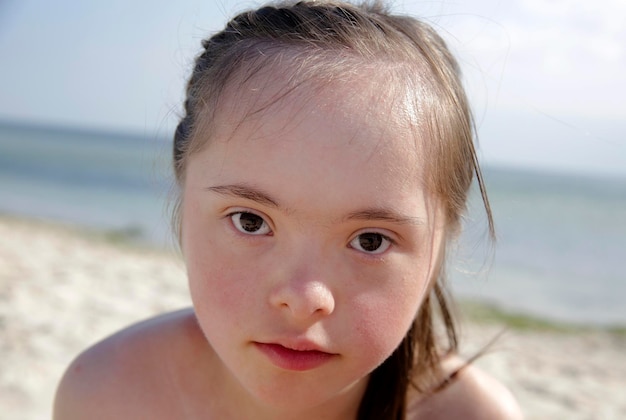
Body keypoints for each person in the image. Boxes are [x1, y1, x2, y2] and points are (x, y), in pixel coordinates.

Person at [54, 1, 522, 418]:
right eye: (251, 221)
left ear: (444, 240)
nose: (303, 298)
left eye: (370, 240)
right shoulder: (106, 395)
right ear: (184, 189)